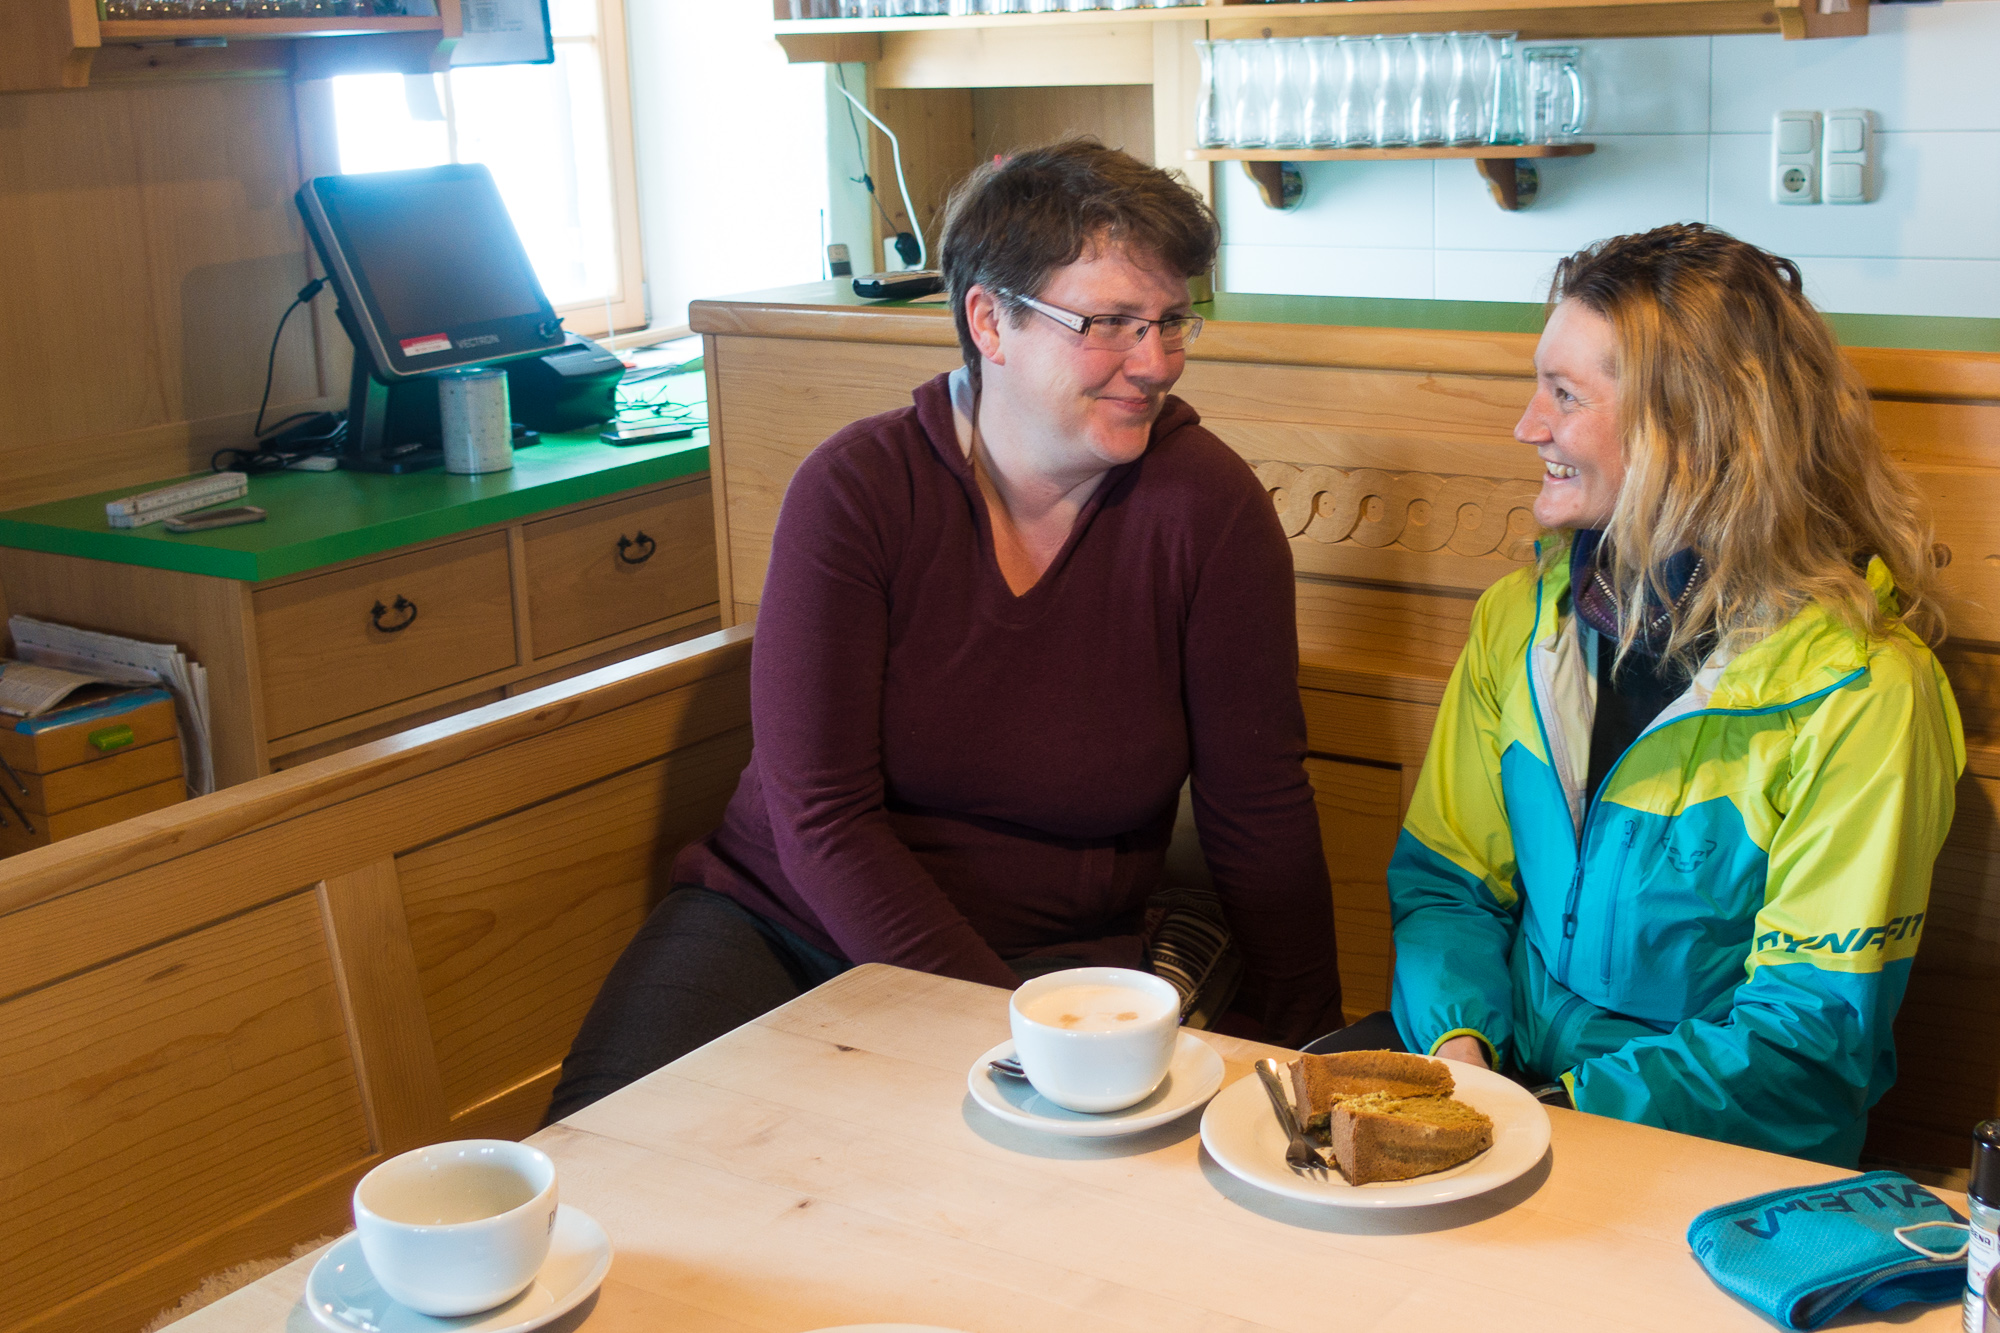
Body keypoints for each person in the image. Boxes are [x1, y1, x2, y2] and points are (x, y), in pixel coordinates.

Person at [546, 139, 1344, 1122]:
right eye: (1109, 325)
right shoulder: (856, 490)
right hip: (775, 922)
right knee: (604, 1151)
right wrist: (986, 1025)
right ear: (988, 321)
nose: (1154, 364)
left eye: (1170, 321)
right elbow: (818, 814)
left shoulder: (1205, 508)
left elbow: (1255, 804)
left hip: (1048, 965)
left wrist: (1308, 1040)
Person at [1304, 223, 1963, 1167]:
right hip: (1514, 1097)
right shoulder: (1519, 624)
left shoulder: (1863, 693)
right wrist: (1462, 1055)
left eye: (1564, 396)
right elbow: (1447, 887)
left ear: (1690, 431)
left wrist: (1550, 1111)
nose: (1528, 426)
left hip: (1717, 1164)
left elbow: (1806, 1038)